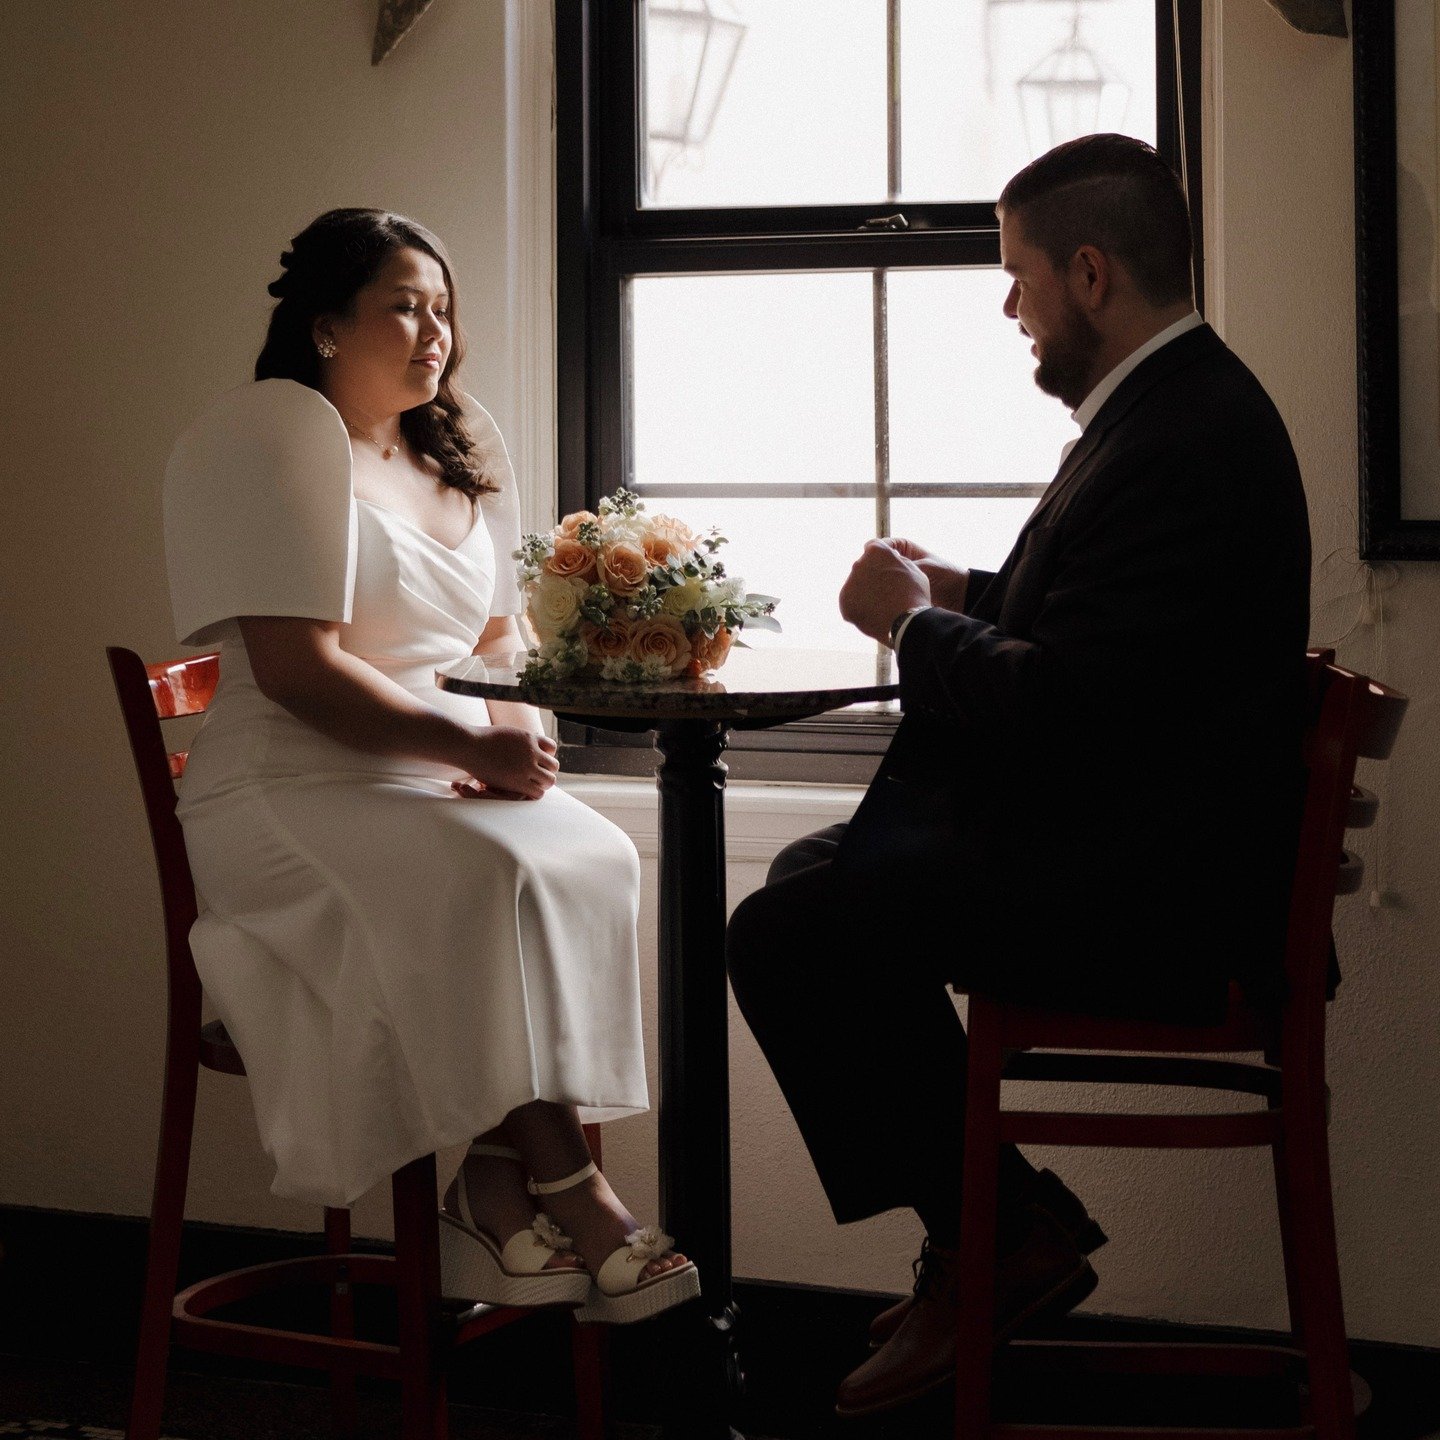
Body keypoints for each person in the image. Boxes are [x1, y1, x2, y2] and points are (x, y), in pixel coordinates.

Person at [725, 134, 1311, 1414]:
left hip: (1156, 897)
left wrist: (907, 626)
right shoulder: (1177, 410)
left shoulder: (1178, 437)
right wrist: (968, 593)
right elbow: (1105, 635)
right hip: (1148, 846)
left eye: (1019, 276)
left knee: (784, 928)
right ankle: (992, 1234)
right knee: (816, 879)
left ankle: (999, 1241)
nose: (1010, 307)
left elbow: (1070, 707)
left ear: (1089, 273)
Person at [164, 208, 698, 1325]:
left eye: (443, 308)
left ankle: (492, 1186)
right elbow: (301, 673)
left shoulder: (451, 446)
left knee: (592, 852)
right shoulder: (272, 432)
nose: (434, 332)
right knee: (487, 877)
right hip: (284, 790)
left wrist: (511, 738)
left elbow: (494, 642)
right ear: (324, 325)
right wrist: (465, 743)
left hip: (418, 777)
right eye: (403, 305)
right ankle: (567, 1187)